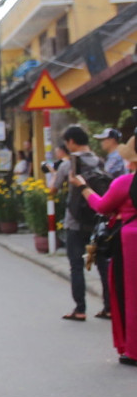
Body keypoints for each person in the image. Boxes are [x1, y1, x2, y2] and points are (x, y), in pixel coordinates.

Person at [72, 136, 137, 364]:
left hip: (130, 242)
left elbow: (101, 206)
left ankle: (133, 349)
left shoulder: (125, 183)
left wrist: (83, 187)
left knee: (129, 293)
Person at [54, 125, 111, 321]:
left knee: (76, 266)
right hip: (97, 223)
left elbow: (53, 188)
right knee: (102, 265)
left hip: (75, 224)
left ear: (71, 142)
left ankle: (80, 309)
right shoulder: (100, 162)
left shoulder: (68, 165)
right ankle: (108, 307)